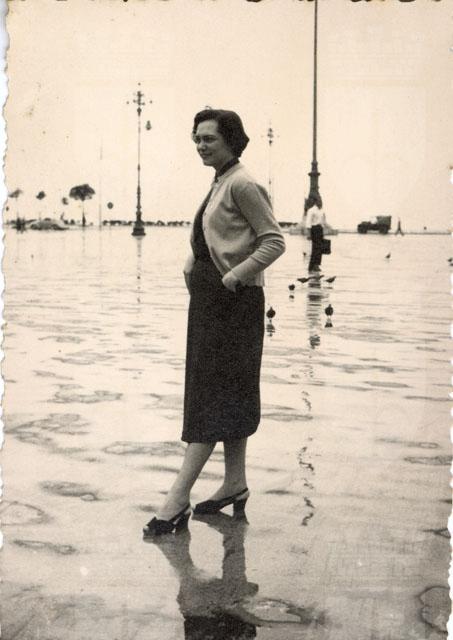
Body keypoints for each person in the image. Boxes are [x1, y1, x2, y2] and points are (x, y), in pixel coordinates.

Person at [143, 109, 286, 536]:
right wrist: (194, 263)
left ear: (231, 140)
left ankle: (176, 500)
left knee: (209, 400)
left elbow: (274, 241)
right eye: (197, 139)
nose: (201, 146)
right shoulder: (221, 181)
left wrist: (233, 276)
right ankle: (235, 482)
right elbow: (216, 237)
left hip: (233, 305)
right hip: (212, 303)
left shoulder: (242, 183)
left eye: (209, 139)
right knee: (228, 395)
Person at [306, 201, 326, 273]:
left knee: (320, 248)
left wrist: (323, 230)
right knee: (315, 248)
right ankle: (311, 266)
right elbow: (308, 222)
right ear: (316, 202)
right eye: (319, 201)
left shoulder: (322, 210)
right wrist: (309, 234)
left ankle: (317, 265)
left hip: (320, 229)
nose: (321, 203)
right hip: (314, 229)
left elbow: (323, 221)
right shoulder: (311, 210)